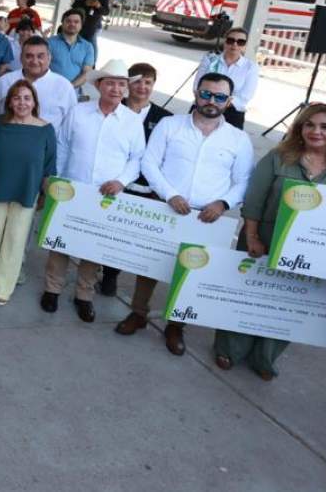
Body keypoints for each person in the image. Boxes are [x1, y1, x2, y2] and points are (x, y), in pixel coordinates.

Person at [212, 103, 326, 378]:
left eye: (325, 127)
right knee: (248, 294)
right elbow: (255, 199)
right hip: (264, 241)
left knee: (288, 303)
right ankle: (230, 348)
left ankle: (265, 358)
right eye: (309, 125)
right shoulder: (279, 157)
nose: (316, 131)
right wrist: (252, 237)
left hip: (311, 252)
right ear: (300, 128)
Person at [114, 73, 254, 356]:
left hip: (208, 218)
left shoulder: (239, 140)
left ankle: (176, 325)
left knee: (191, 274)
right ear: (196, 93)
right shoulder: (170, 125)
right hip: (166, 208)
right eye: (206, 94)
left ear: (228, 102)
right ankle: (138, 313)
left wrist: (223, 204)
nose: (211, 101)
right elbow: (150, 163)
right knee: (148, 266)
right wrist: (170, 194)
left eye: (219, 97)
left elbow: (243, 181)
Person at [41, 60, 145, 322]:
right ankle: (52, 289)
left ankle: (84, 295)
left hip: (107, 196)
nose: (116, 88)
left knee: (93, 248)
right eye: (110, 82)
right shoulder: (79, 111)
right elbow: (62, 145)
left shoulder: (132, 122)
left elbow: (137, 159)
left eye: (121, 84)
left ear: (126, 89)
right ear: (99, 85)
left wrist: (121, 181)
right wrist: (58, 180)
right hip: (73, 188)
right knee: (61, 242)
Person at [0, 79, 57, 305]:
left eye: (26, 98)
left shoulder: (45, 130)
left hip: (27, 190)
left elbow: (49, 166)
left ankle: (3, 286)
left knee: (15, 239)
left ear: (34, 102)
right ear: (10, 103)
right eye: (16, 98)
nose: (22, 102)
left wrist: (44, 193)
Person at [101, 61, 172, 296]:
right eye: (138, 81)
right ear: (128, 84)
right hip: (113, 183)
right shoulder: (112, 108)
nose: (142, 87)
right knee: (109, 234)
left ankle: (115, 273)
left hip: (146, 188)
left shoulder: (165, 118)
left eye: (148, 82)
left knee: (131, 237)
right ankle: (107, 275)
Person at [0, 36, 77, 130]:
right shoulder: (4, 82)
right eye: (29, 56)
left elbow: (70, 125)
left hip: (48, 143)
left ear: (49, 57)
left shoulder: (64, 87)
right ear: (20, 58)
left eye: (40, 56)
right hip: (6, 140)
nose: (35, 61)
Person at [194, 28, 259, 129]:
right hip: (205, 105)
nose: (235, 45)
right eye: (230, 40)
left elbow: (245, 96)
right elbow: (197, 86)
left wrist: (220, 103)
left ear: (245, 46)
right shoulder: (210, 59)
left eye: (240, 42)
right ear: (225, 42)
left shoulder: (251, 67)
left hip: (232, 111)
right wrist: (210, 101)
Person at [48, 9, 95, 88]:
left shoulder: (88, 47)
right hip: (51, 89)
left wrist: (70, 87)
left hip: (74, 93)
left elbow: (87, 73)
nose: (72, 24)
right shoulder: (49, 43)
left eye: (76, 22)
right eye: (68, 21)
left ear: (81, 25)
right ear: (62, 23)